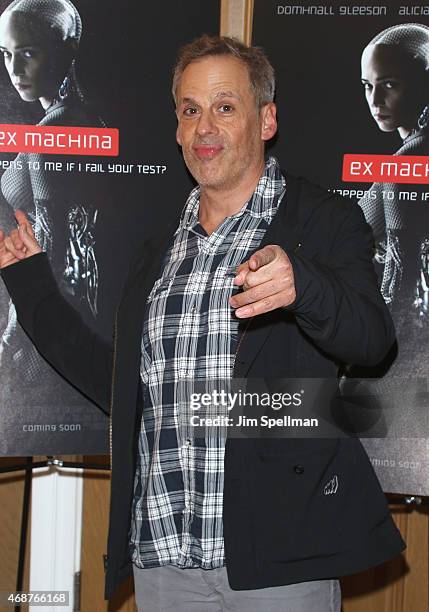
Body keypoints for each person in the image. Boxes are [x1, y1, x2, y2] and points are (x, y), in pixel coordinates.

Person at [0, 36, 405, 611]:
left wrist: (306, 287)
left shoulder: (321, 221)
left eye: (224, 106)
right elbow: (118, 385)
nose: (204, 127)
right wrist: (33, 286)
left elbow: (372, 339)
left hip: (278, 565)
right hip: (163, 562)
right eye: (190, 110)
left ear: (266, 120)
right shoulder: (156, 251)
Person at [0, 0, 102, 383]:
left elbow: (50, 243)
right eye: (6, 54)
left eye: (28, 53)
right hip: (67, 308)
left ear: (66, 48)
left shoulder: (52, 133)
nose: (14, 70)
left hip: (50, 313)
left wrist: (11, 337)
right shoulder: (83, 117)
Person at [359, 24, 429, 370]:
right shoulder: (410, 154)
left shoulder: (410, 163)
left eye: (389, 84)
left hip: (406, 351)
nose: (375, 101)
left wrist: (371, 360)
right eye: (368, 86)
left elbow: (401, 278)